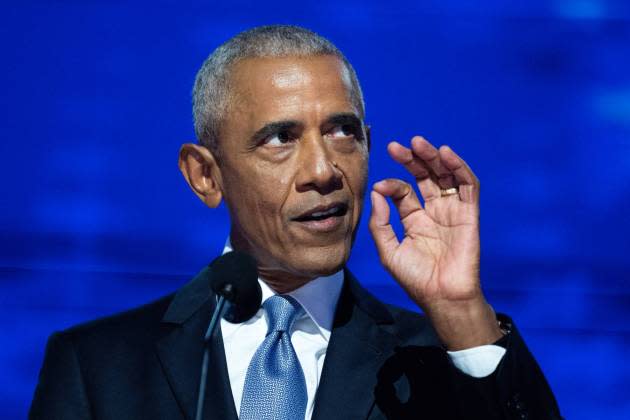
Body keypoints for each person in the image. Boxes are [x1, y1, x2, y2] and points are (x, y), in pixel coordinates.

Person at [30, 25, 562, 419]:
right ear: (205, 176)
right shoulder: (97, 366)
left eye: (342, 132)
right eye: (280, 138)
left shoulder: (440, 359)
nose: (323, 170)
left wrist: (461, 310)